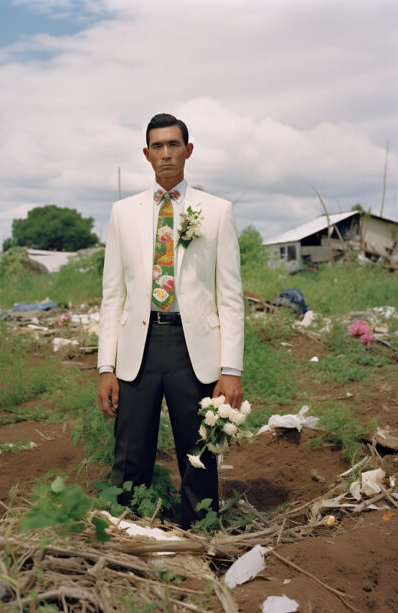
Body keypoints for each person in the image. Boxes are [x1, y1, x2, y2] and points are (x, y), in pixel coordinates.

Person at [97, 113, 244, 529]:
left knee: (198, 451)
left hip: (192, 348)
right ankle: (127, 532)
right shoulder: (123, 213)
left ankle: (201, 538)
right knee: (130, 453)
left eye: (173, 144)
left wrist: (230, 370)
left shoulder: (215, 211)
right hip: (137, 347)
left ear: (188, 150)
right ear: (146, 154)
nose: (166, 153)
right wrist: (105, 366)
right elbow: (113, 296)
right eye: (157, 146)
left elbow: (230, 297)